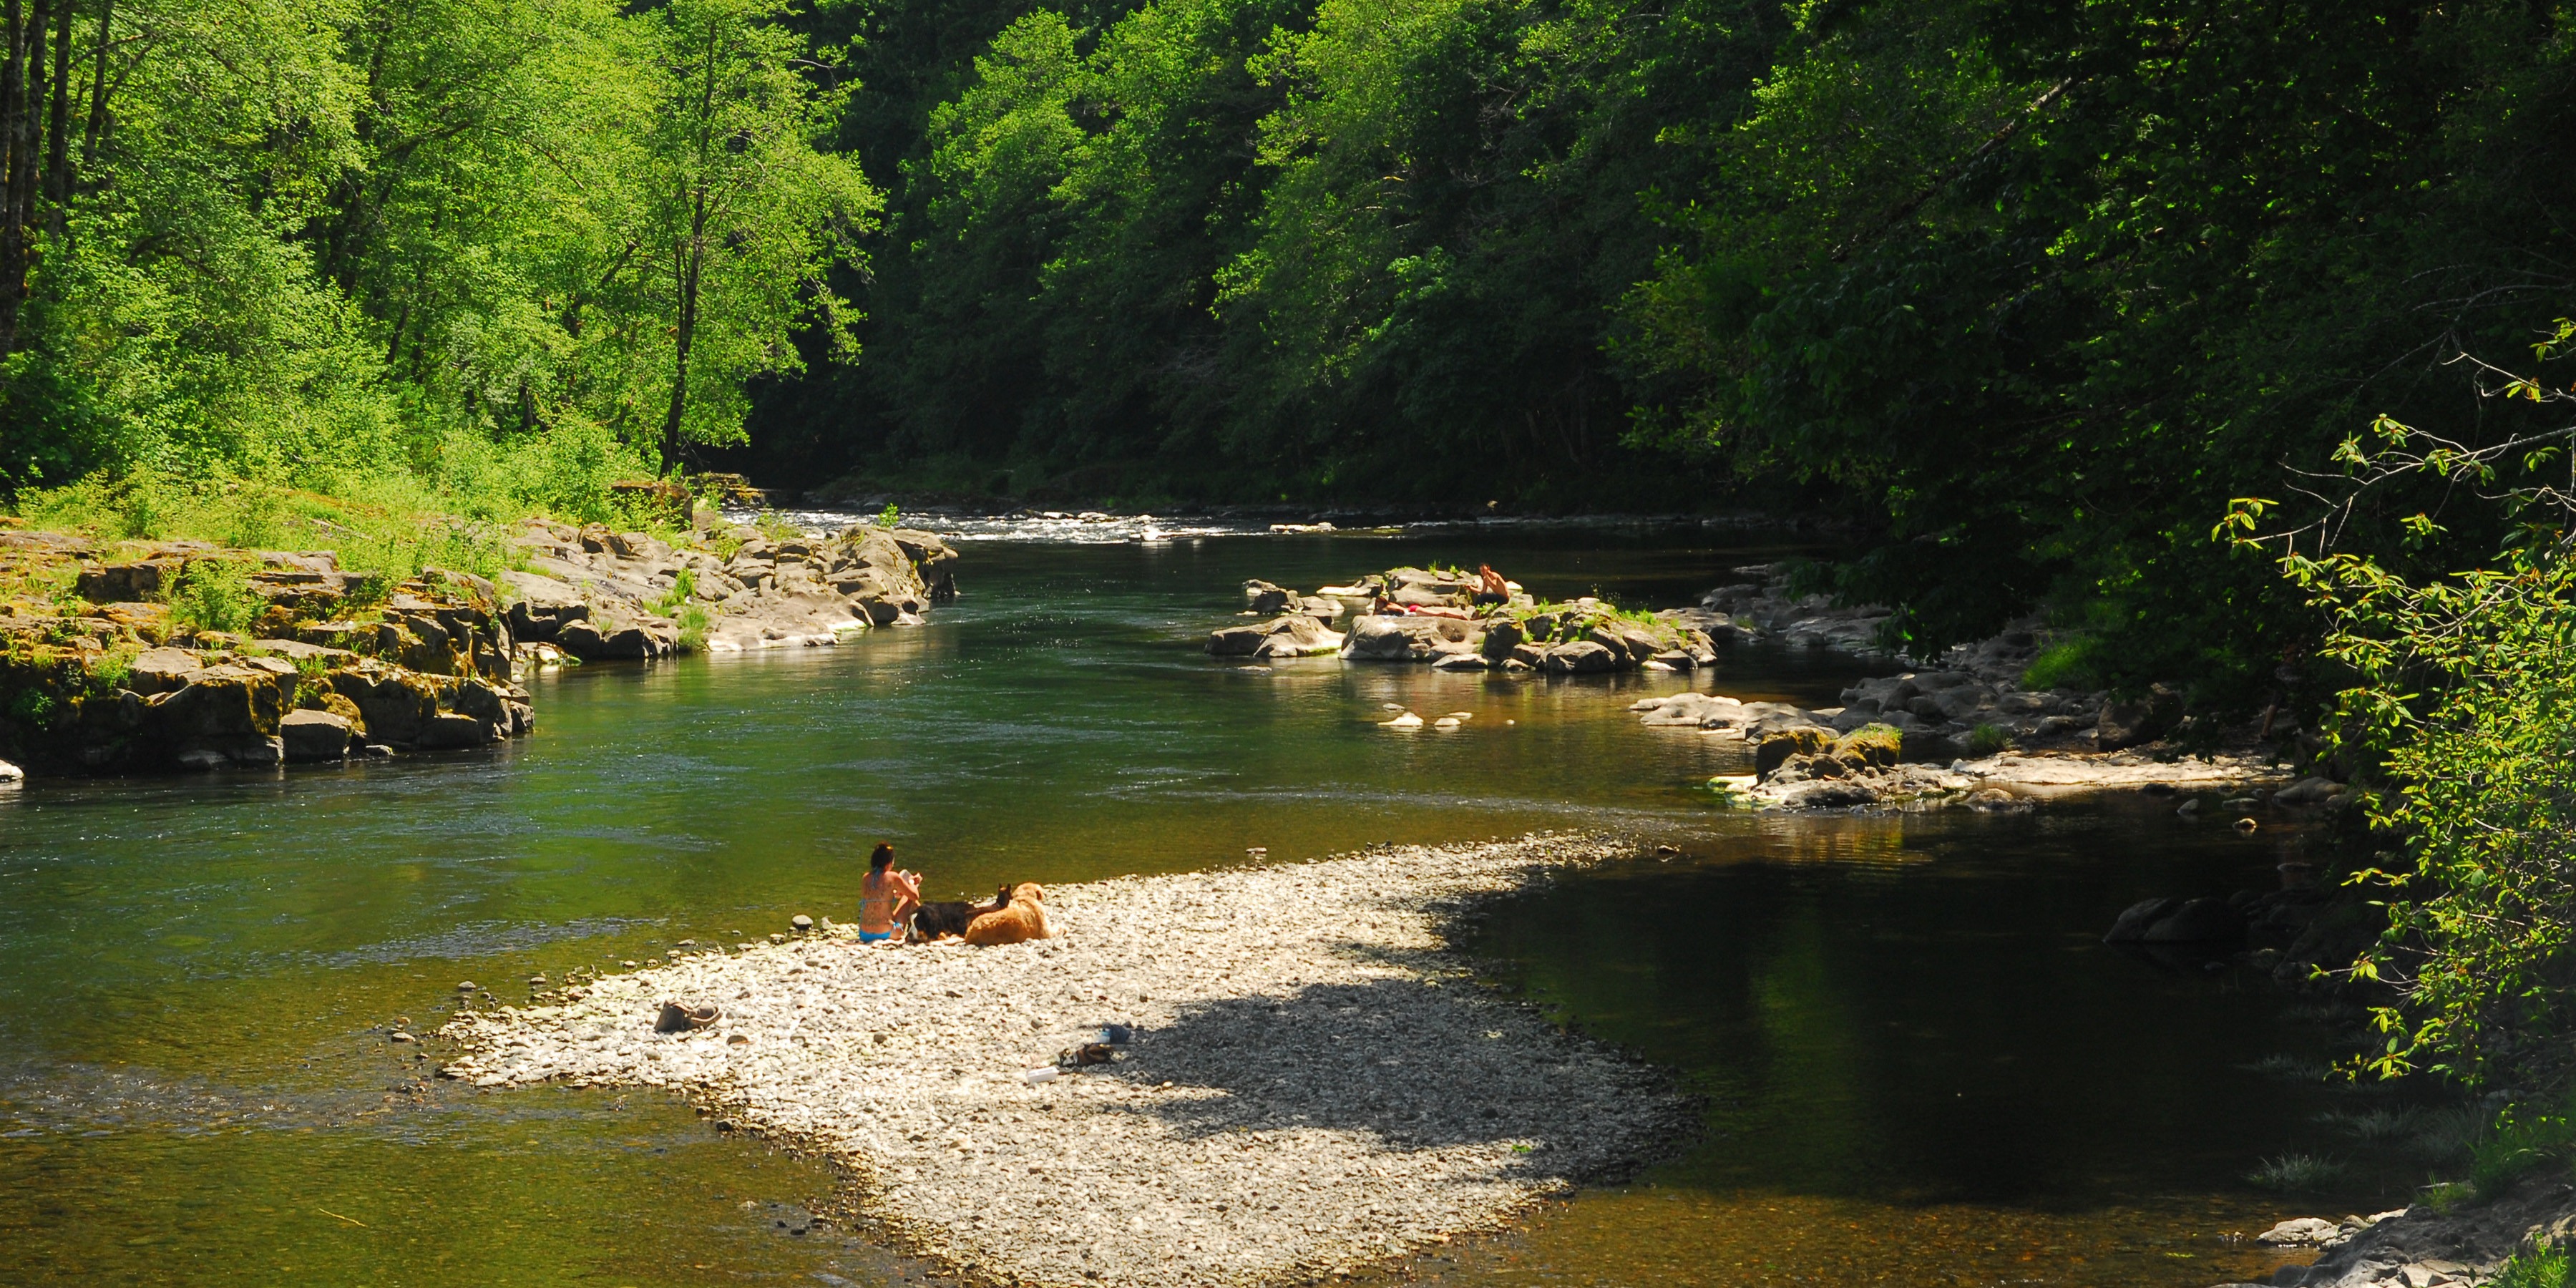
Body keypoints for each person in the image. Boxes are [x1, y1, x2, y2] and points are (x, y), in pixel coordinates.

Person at [857, 842, 921, 945]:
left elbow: (878, 896)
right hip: (887, 933)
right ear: (889, 863)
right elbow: (915, 895)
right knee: (909, 897)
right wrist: (912, 882)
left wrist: (895, 894)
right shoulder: (893, 876)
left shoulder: (866, 877)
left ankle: (921, 915)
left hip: (864, 934)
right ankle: (922, 918)